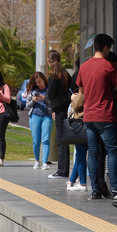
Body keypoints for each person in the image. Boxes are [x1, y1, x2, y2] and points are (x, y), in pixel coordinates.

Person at [76, 33, 117, 200]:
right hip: (105, 114)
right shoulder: (110, 67)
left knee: (93, 151)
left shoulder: (83, 66)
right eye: (109, 48)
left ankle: (95, 189)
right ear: (105, 48)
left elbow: (81, 94)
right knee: (112, 151)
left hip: (88, 116)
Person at [46, 50, 72, 179]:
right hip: (66, 108)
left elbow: (50, 94)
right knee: (64, 140)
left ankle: (62, 171)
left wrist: (51, 106)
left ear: (48, 61)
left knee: (61, 140)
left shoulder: (53, 74)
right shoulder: (65, 73)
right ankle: (64, 169)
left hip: (58, 109)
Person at [26, 72, 54, 169]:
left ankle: (45, 162)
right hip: (35, 116)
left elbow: (53, 103)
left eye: (40, 81)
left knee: (46, 139)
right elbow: (27, 105)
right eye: (36, 82)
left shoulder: (49, 90)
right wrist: (33, 101)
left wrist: (44, 98)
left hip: (47, 116)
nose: (38, 84)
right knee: (36, 141)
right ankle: (37, 161)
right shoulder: (33, 91)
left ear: (43, 79)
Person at [67, 86, 89, 192]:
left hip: (81, 124)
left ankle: (82, 183)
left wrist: (73, 97)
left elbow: (76, 105)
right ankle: (71, 181)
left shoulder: (84, 88)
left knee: (80, 153)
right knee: (81, 154)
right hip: (95, 122)